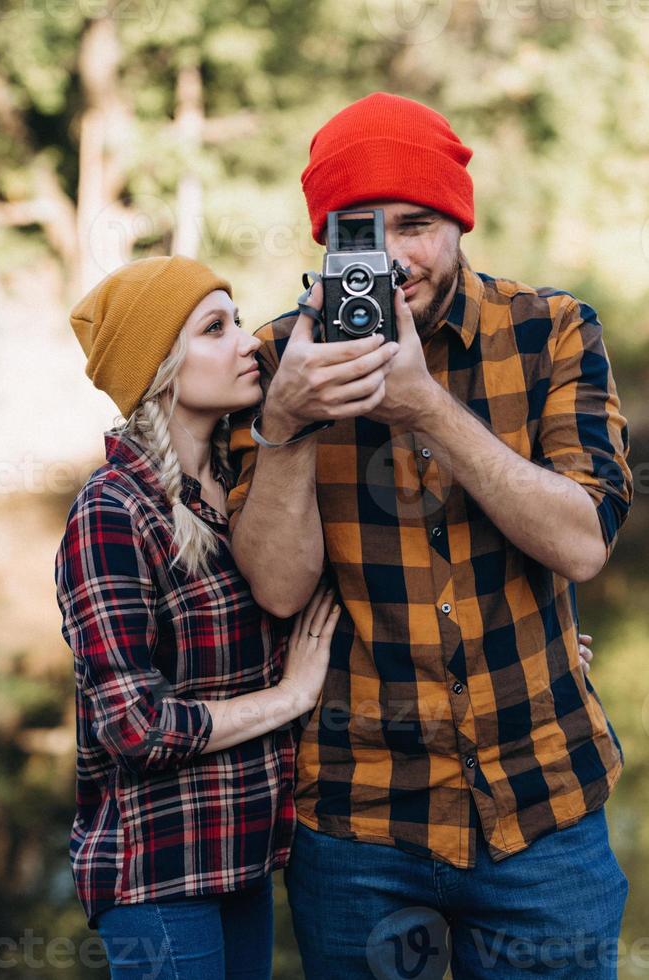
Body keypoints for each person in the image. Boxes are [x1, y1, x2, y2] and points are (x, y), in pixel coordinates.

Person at [227, 93, 632, 979]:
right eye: (358, 229)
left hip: (543, 803)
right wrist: (287, 425)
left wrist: (426, 410)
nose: (391, 256)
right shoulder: (272, 362)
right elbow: (278, 591)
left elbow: (581, 543)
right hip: (356, 820)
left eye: (414, 224)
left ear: (457, 220)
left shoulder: (550, 330)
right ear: (323, 243)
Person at [54, 255, 341, 979]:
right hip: (156, 872)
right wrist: (288, 700)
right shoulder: (112, 512)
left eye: (238, 319)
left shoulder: (243, 489)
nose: (249, 342)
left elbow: (322, 619)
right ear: (160, 369)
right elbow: (134, 727)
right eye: (216, 328)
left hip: (241, 857)